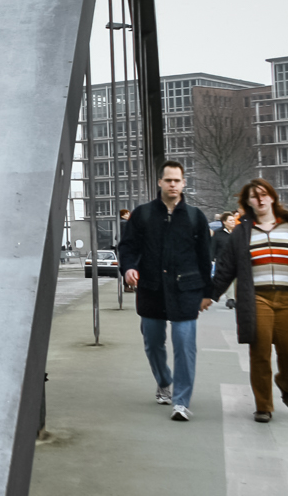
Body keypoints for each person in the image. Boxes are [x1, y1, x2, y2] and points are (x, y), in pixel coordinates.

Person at [203, 179, 288, 423]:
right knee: (260, 352)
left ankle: (286, 382)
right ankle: (263, 406)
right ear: (248, 203)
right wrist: (209, 295)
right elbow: (226, 267)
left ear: (273, 197)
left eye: (264, 194)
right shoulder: (242, 232)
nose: (260, 199)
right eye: (254, 196)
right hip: (257, 298)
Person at [119, 160, 212, 421]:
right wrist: (127, 269)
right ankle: (163, 380)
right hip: (151, 289)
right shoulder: (143, 214)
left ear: (184, 183)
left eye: (177, 180)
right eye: (168, 180)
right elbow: (127, 247)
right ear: (160, 182)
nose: (172, 184)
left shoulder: (195, 217)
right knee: (153, 342)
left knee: (184, 345)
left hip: (186, 290)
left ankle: (181, 402)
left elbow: (206, 257)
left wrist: (208, 293)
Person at [212, 212, 238, 306]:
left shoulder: (237, 233)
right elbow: (212, 247)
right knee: (228, 279)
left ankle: (237, 298)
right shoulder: (218, 234)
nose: (233, 222)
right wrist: (211, 259)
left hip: (237, 260)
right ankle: (230, 299)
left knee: (237, 280)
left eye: (233, 220)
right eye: (230, 220)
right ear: (224, 222)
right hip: (223, 261)